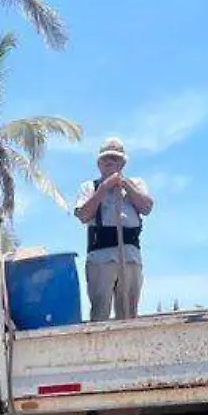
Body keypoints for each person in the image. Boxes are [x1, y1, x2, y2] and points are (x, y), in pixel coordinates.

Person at [73, 136, 155, 321]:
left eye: (115, 159)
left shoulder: (136, 184)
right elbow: (83, 215)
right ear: (99, 163)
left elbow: (147, 208)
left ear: (122, 163)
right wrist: (104, 188)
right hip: (101, 258)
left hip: (130, 257)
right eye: (105, 159)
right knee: (100, 312)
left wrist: (125, 185)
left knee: (128, 314)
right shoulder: (89, 187)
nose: (109, 162)